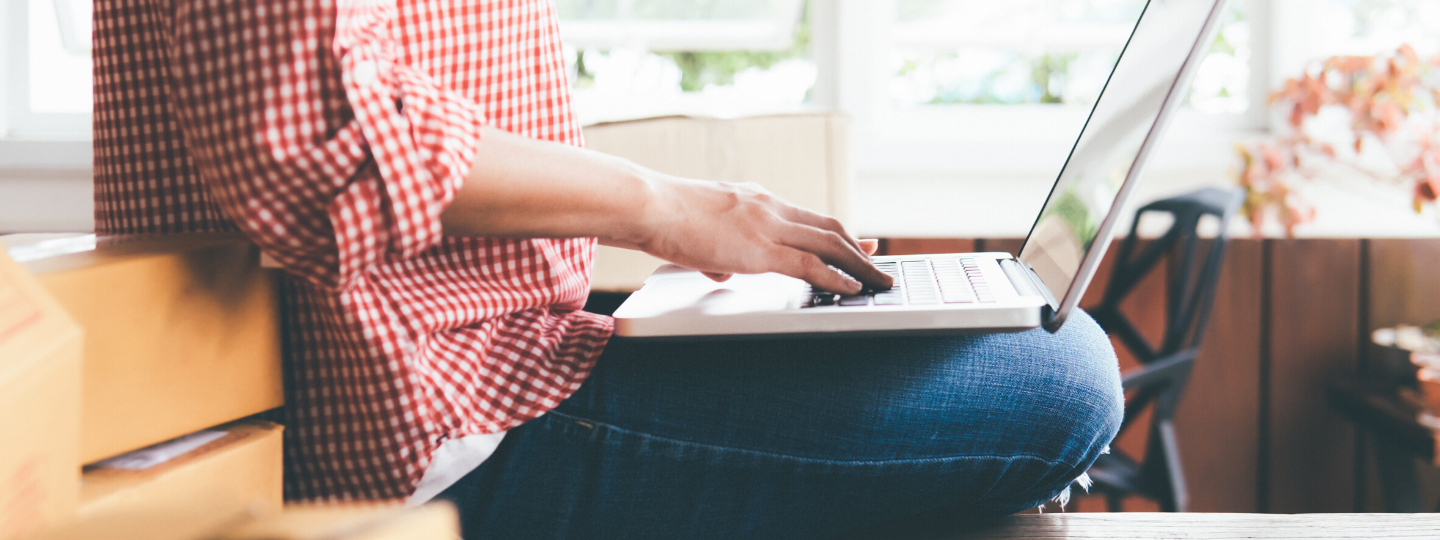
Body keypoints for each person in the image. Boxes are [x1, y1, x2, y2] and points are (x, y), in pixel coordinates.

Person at [93, 1, 1123, 538]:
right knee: (1063, 370)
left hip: (471, 371)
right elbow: (313, 127)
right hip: (428, 434)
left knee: (1022, 354)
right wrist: (670, 207)